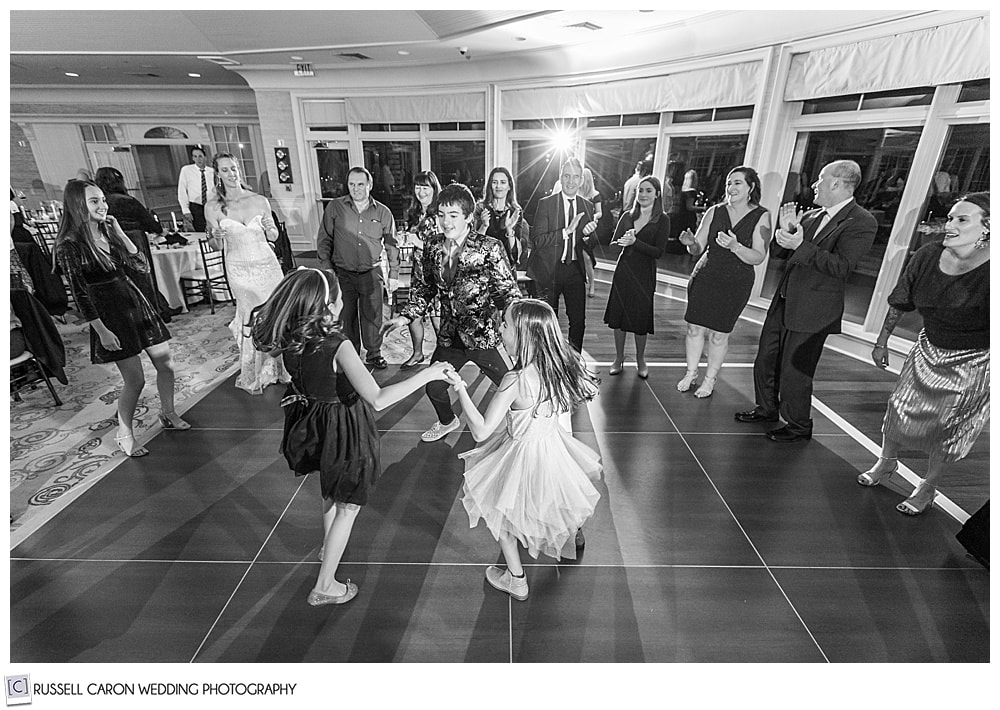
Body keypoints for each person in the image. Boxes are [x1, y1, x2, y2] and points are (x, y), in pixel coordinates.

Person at [250, 268, 454, 605]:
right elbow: (378, 398)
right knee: (348, 505)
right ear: (329, 304)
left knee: (331, 490)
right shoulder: (338, 345)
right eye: (340, 295)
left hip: (313, 421)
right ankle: (325, 586)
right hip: (343, 426)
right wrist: (428, 374)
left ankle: (327, 549)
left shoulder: (293, 337)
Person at [445, 299, 601, 600]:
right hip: (552, 448)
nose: (499, 329)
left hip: (522, 454)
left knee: (499, 511)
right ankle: (573, 530)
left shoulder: (515, 381)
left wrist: (461, 388)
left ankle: (516, 578)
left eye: (504, 324)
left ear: (522, 335)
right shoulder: (562, 367)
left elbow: (480, 430)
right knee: (557, 495)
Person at [858, 193, 989, 516]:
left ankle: (928, 487)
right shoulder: (928, 254)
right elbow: (900, 299)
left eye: (962, 219)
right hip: (928, 348)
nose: (950, 225)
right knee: (898, 407)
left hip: (973, 360)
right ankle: (887, 462)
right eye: (951, 218)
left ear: (988, 228)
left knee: (948, 427)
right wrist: (881, 341)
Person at [735, 160, 877, 442]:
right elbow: (779, 253)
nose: (814, 185)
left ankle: (799, 425)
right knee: (766, 360)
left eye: (820, 179)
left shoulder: (861, 222)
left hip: (815, 311)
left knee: (795, 371)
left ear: (836, 183)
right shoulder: (811, 216)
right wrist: (787, 231)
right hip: (784, 302)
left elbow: (841, 266)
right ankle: (767, 409)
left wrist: (800, 245)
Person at [53, 179, 189, 457]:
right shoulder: (70, 245)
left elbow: (140, 266)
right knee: (135, 380)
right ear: (78, 206)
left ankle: (168, 412)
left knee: (167, 365)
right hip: (108, 314)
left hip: (134, 302)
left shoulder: (110, 234)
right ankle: (124, 432)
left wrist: (121, 234)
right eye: (94, 201)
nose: (102, 205)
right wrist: (101, 330)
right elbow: (80, 295)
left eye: (102, 199)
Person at [381, 183, 521, 443]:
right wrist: (405, 316)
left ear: (469, 217)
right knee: (434, 387)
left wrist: (517, 325)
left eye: (453, 215)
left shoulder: (489, 247)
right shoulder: (432, 248)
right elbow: (423, 290)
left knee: (514, 388)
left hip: (484, 337)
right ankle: (448, 421)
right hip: (449, 338)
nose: (446, 222)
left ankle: (521, 428)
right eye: (442, 215)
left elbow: (508, 292)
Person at [677, 167, 771, 398]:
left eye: (737, 183)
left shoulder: (762, 216)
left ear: (751, 187)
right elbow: (698, 248)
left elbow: (758, 257)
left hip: (736, 282)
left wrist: (735, 247)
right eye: (729, 183)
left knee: (719, 334)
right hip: (706, 275)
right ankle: (691, 373)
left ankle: (710, 379)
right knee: (694, 328)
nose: (731, 188)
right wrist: (690, 243)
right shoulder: (714, 211)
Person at [204, 152, 290, 395]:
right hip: (239, 268)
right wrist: (215, 237)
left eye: (233, 168)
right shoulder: (213, 207)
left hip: (267, 266)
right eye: (225, 170)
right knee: (251, 316)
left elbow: (274, 236)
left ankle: (281, 367)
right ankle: (256, 370)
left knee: (275, 313)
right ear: (218, 175)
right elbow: (216, 246)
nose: (231, 174)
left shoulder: (259, 200)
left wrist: (268, 227)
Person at [316, 166, 398, 370]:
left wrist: (394, 274)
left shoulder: (383, 212)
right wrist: (327, 268)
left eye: (360, 184)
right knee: (346, 317)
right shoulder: (335, 208)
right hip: (343, 273)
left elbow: (391, 245)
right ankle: (351, 356)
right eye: (351, 184)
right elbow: (324, 239)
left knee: (373, 316)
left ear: (369, 185)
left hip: (372, 272)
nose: (356, 188)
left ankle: (374, 354)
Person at [526, 158, 599, 352]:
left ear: (582, 180)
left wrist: (586, 236)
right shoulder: (546, 203)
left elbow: (589, 245)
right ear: (561, 177)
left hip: (574, 269)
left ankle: (573, 363)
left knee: (578, 322)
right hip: (548, 270)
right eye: (567, 176)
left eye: (576, 177)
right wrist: (566, 232)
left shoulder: (587, 206)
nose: (571, 181)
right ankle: (549, 363)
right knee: (548, 323)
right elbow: (537, 241)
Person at [603, 176, 670, 379]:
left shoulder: (663, 219)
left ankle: (641, 359)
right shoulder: (627, 216)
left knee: (640, 319)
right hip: (624, 272)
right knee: (619, 318)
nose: (643, 194)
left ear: (657, 194)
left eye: (648, 190)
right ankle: (619, 358)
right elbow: (613, 246)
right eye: (640, 190)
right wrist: (621, 243)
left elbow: (659, 252)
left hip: (644, 274)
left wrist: (635, 242)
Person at [94, 166, 174, 322]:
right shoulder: (127, 201)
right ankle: (152, 314)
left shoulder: (100, 203)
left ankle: (134, 316)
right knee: (143, 279)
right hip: (134, 241)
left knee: (122, 281)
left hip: (109, 242)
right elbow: (152, 225)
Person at [397, 171, 443, 369]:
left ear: (434, 189)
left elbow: (442, 246)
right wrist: (404, 241)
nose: (421, 191)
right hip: (416, 272)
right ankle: (417, 353)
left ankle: (443, 357)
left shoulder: (441, 213)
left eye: (425, 187)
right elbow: (411, 241)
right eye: (418, 187)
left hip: (435, 275)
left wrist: (417, 241)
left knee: (438, 320)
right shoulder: (415, 213)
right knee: (413, 315)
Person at [473, 166, 528, 272]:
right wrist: (484, 226)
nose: (498, 186)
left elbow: (516, 254)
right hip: (483, 269)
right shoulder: (480, 208)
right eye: (494, 182)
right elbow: (473, 246)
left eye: (503, 182)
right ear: (490, 185)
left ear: (509, 186)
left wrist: (509, 229)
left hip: (506, 271)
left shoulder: (515, 211)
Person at [177, 147, 213, 233]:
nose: (198, 159)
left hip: (211, 205)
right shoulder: (186, 170)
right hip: (196, 206)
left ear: (205, 157)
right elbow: (182, 190)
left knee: (213, 229)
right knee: (201, 231)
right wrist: (185, 210)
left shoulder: (212, 171)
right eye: (195, 156)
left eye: (200, 156)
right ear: (192, 158)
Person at [579, 168, 603, 298]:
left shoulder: (595, 194)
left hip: (589, 228)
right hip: (577, 228)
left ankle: (592, 284)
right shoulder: (576, 193)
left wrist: (594, 216)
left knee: (587, 258)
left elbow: (600, 212)